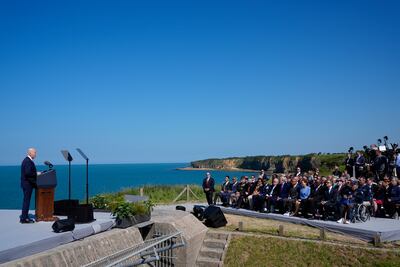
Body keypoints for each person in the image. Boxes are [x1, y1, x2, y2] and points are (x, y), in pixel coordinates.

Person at [20, 148, 38, 224]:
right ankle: (24, 218)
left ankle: (24, 217)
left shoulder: (27, 160)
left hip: (26, 184)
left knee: (26, 201)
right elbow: (28, 173)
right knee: (26, 201)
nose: (35, 154)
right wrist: (36, 174)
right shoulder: (28, 161)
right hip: (28, 184)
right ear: (30, 153)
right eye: (34, 152)